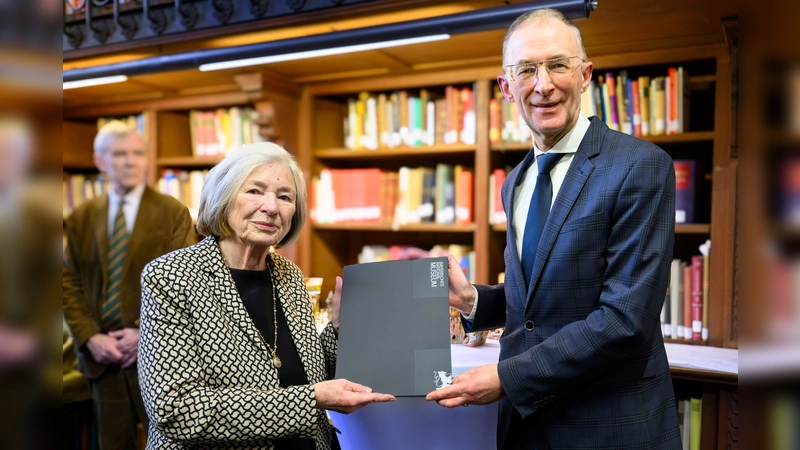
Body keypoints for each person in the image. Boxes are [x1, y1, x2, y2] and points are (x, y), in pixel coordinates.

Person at [426, 9, 682, 449]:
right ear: (507, 88)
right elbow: (541, 300)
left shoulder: (640, 166)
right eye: (526, 70)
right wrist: (473, 301)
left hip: (608, 428)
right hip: (527, 429)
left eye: (558, 65)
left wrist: (507, 378)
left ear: (585, 76)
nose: (543, 85)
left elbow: (626, 320)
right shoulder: (515, 182)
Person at [137, 142, 395, 450]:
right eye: (254, 191)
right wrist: (310, 399)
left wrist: (339, 332)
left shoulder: (289, 275)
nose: (271, 207)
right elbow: (177, 411)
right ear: (223, 197)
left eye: (284, 197)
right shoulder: (170, 277)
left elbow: (309, 374)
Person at [63, 120, 196, 449]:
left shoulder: (173, 212)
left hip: (160, 358)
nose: (130, 161)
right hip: (103, 359)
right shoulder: (82, 217)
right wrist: (90, 336)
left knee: (169, 443)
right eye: (120, 154)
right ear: (100, 161)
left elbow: (186, 283)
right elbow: (68, 282)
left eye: (138, 153)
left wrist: (144, 334)